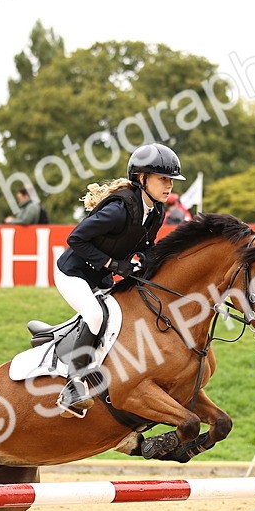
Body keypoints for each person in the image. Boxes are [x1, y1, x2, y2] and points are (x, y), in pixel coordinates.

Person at [53, 143, 181, 417]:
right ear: (142, 178)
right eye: (163, 179)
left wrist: (148, 261)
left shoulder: (156, 211)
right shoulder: (119, 209)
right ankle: (72, 385)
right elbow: (75, 238)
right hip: (73, 273)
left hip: (99, 275)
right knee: (96, 315)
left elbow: (145, 245)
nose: (168, 186)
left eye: (171, 180)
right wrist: (114, 264)